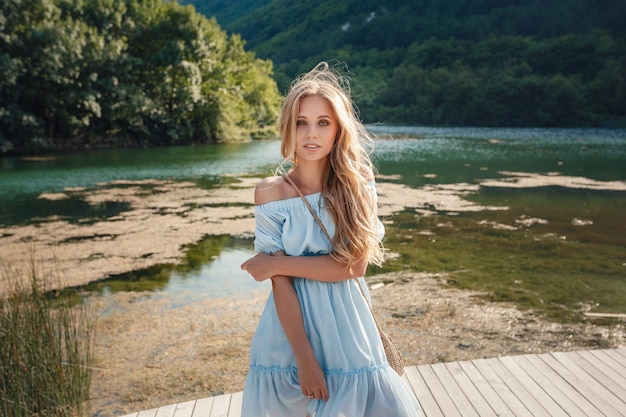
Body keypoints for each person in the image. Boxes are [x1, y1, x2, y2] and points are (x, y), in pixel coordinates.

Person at [240, 62, 420, 417]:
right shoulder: (270, 193)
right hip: (288, 331)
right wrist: (305, 359)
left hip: (349, 328)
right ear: (288, 127)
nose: (311, 133)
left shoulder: (357, 182)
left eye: (323, 122)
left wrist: (276, 263)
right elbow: (282, 286)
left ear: (338, 129)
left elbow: (353, 267)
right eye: (301, 122)